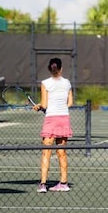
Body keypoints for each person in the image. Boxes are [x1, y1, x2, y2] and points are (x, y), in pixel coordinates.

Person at [33, 58, 73, 193]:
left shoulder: (45, 83)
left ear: (50, 69)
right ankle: (64, 183)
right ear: (61, 69)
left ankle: (43, 184)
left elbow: (44, 105)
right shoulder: (67, 83)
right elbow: (70, 103)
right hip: (64, 119)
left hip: (51, 119)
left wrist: (39, 106)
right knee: (61, 152)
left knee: (46, 152)